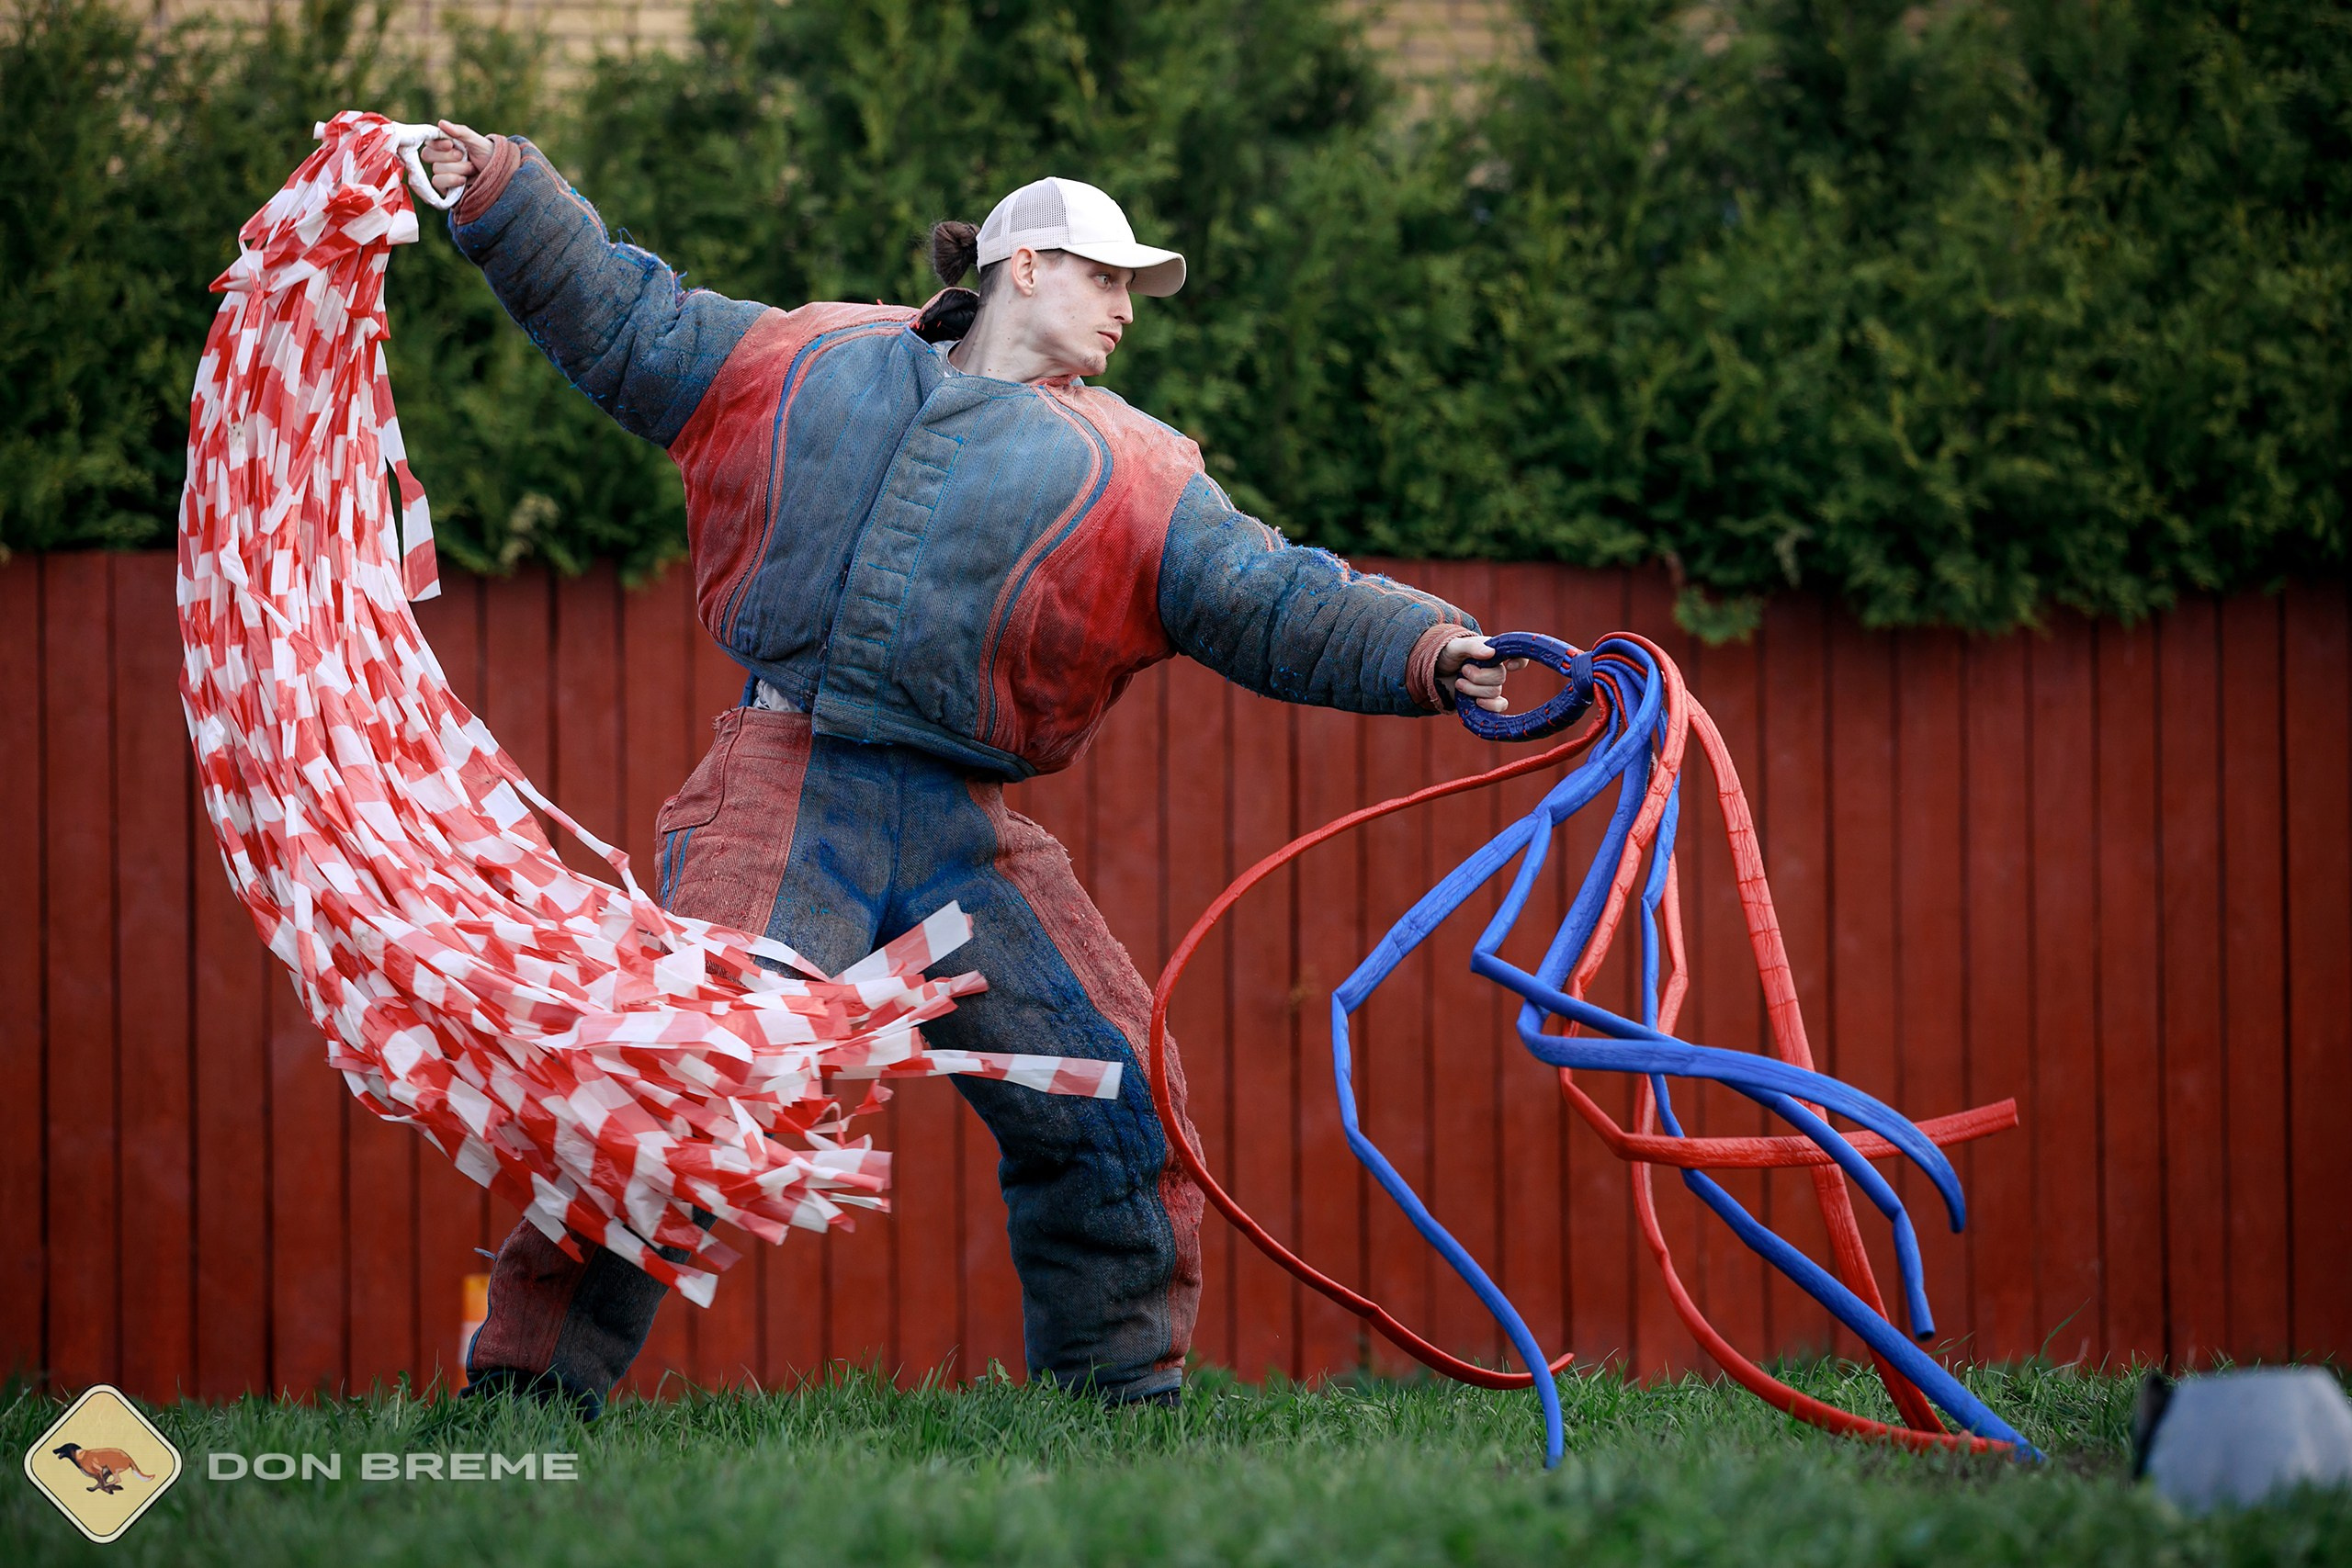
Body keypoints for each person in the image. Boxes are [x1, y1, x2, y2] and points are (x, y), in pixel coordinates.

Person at [417, 123, 1521, 1416]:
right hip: (785, 787)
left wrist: (1431, 650)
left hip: (965, 834)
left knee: (1115, 1092)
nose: (1127, 310)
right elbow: (627, 318)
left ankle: (1121, 1407)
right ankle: (525, 1397)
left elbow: (1273, 596)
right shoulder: (808, 360)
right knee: (685, 1078)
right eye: (1109, 279)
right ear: (1029, 266)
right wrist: (500, 190)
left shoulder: (1139, 475)